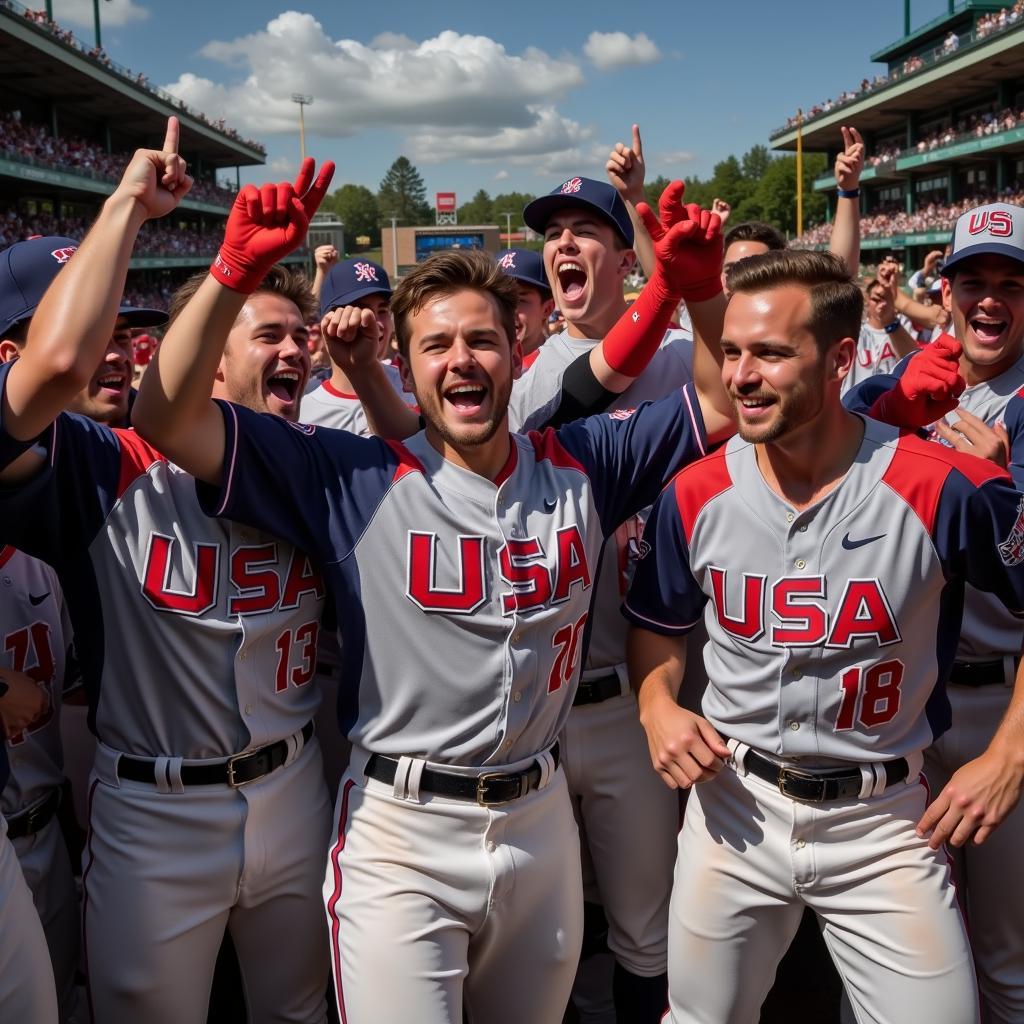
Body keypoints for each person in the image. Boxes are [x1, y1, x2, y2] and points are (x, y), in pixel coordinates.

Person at [130, 169, 736, 1024]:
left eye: (482, 341)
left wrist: (703, 290)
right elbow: (163, 416)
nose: (462, 360)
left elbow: (719, 396)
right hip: (400, 834)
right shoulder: (348, 474)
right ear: (405, 368)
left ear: (519, 354)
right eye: (436, 345)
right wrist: (229, 272)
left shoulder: (584, 461)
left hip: (539, 819)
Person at [625, 247, 1024, 1024]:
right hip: (733, 809)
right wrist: (656, 705)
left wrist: (1010, 753)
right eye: (732, 351)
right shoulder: (694, 492)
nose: (741, 375)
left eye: (771, 354)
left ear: (843, 357)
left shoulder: (943, 484)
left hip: (884, 819)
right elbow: (658, 627)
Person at [0, 127, 336, 1024]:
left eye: (301, 335)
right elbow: (44, 393)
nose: (295, 352)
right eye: (267, 335)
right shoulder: (103, 462)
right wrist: (171, 238)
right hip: (154, 804)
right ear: (209, 354)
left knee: (302, 1010)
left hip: (294, 786)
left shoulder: (321, 462)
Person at [845, 201, 1024, 1024]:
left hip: (1001, 710)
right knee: (887, 953)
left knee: (1005, 957)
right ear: (944, 293)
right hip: (905, 709)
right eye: (974, 281)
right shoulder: (908, 388)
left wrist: (1008, 497)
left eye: (1012, 284)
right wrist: (886, 415)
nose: (991, 300)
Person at [300, 257, 415, 435]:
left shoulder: (414, 384)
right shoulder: (303, 413)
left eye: (382, 311)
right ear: (327, 321)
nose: (376, 323)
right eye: (359, 311)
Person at [845, 261, 918, 394]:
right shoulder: (856, 331)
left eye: (885, 298)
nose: (881, 304)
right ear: (867, 301)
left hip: (890, 410)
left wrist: (889, 320)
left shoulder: (902, 329)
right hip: (854, 409)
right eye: (876, 298)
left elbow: (915, 362)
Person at [495, 247, 555, 369]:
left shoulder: (563, 368)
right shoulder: (475, 365)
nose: (507, 309)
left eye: (520, 300)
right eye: (498, 298)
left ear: (547, 309)